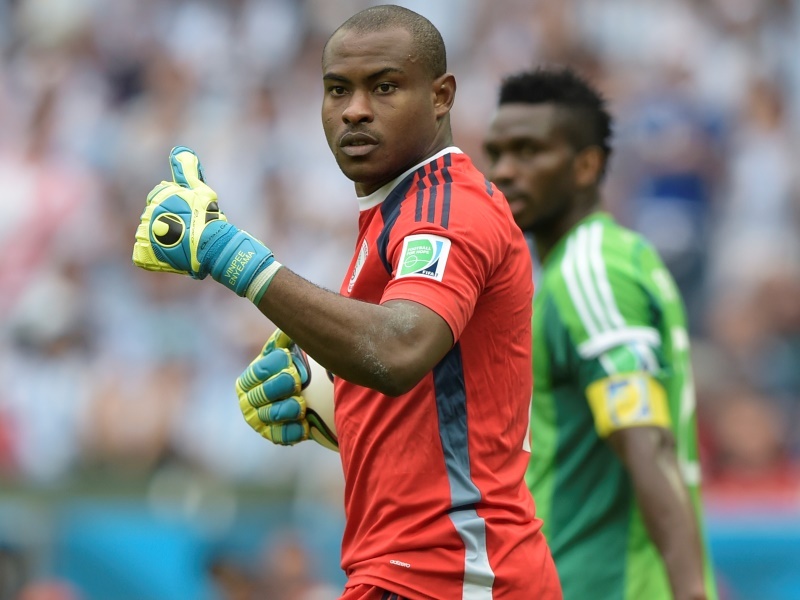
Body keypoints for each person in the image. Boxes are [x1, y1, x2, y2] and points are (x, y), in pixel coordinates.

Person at [132, 5, 561, 600]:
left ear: (441, 96)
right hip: (426, 570)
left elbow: (400, 347)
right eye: (338, 90)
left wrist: (232, 257)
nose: (355, 109)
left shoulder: (444, 210)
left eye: (384, 87)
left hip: (453, 574)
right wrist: (336, 407)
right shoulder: (398, 209)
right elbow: (447, 397)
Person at [483, 67, 718, 600]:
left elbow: (645, 440)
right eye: (496, 154)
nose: (505, 171)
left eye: (529, 151)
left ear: (586, 165)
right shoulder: (595, 264)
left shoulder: (590, 273)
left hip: (606, 585)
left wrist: (691, 593)